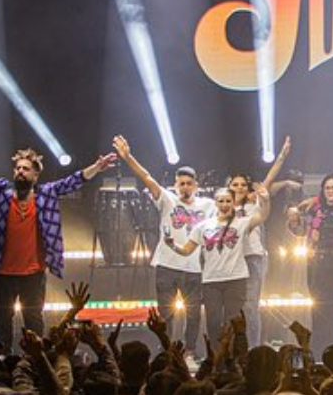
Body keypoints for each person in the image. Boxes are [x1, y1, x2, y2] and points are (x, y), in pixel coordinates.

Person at [0, 136, 118, 350]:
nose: (20, 171)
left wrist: (97, 166)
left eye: (26, 168)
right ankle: (4, 360)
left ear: (35, 174)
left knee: (34, 323)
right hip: (4, 273)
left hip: (33, 273)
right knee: (3, 322)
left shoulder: (46, 194)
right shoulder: (2, 191)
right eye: (18, 168)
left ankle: (34, 361)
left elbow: (74, 181)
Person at [112, 135, 214, 353]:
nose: (185, 187)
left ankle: (189, 351)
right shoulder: (167, 199)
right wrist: (128, 157)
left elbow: (227, 211)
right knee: (165, 312)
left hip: (195, 267)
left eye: (189, 183)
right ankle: (166, 350)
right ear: (175, 185)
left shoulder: (208, 205)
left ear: (196, 185)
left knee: (194, 314)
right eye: (181, 183)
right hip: (167, 265)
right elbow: (146, 177)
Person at [165, 183, 270, 350]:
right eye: (221, 201)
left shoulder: (242, 223)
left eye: (228, 200)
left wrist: (264, 199)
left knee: (233, 322)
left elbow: (262, 215)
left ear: (233, 202)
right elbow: (186, 250)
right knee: (213, 322)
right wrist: (172, 245)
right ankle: (215, 358)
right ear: (216, 203)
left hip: (236, 279)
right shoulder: (203, 227)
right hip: (211, 281)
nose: (225, 204)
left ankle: (233, 360)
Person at [228, 136, 292, 347]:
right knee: (233, 307)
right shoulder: (221, 207)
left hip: (253, 257)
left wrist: (282, 155)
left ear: (247, 188)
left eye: (242, 185)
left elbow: (269, 180)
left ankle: (253, 347)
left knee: (250, 306)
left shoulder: (254, 203)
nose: (238, 187)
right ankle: (235, 348)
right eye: (234, 184)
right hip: (230, 260)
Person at [288, 173, 333, 352]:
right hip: (316, 266)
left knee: (332, 310)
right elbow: (301, 231)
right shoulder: (314, 210)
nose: (331, 191)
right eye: (327, 188)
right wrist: (292, 221)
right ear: (322, 191)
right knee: (317, 309)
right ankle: (317, 352)